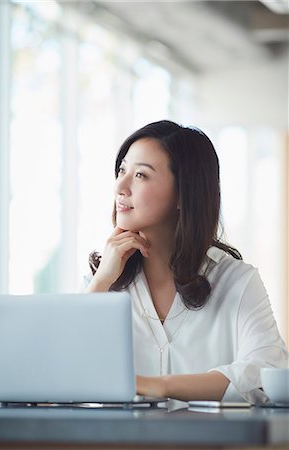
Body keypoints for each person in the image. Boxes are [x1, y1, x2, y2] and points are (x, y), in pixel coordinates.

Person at [81, 120, 288, 405]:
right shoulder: (100, 281)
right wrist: (101, 283)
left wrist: (158, 386)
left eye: (141, 175)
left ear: (183, 194)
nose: (121, 186)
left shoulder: (238, 282)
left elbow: (265, 374)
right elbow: (64, 376)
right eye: (122, 170)